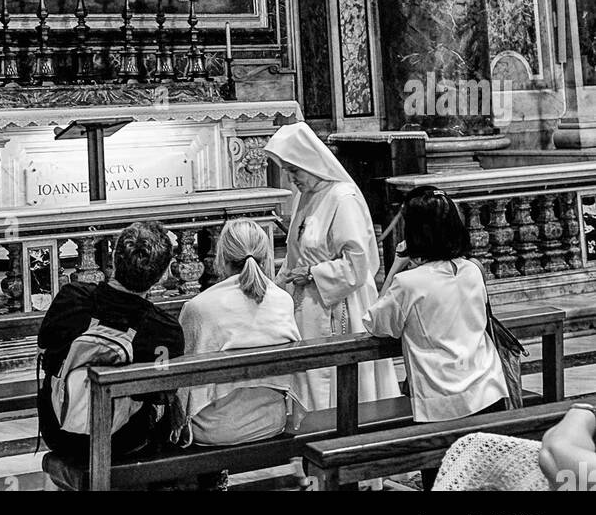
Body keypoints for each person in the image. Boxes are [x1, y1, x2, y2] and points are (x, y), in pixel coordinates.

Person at [363, 187, 508, 488]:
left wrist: (397, 266)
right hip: (488, 391)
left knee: (443, 483)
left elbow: (376, 323)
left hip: (442, 405)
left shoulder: (409, 283)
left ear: (414, 232)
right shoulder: (472, 270)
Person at [264, 123, 400, 412]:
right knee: (310, 376)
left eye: (294, 170)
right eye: (287, 170)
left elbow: (358, 263)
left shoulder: (342, 197)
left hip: (341, 306)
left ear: (310, 163)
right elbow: (296, 253)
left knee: (339, 380)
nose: (291, 178)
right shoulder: (307, 196)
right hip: (309, 306)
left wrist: (313, 273)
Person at [37, 219, 184, 480]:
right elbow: (162, 392)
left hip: (59, 431)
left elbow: (45, 343)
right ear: (161, 275)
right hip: (124, 439)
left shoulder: (72, 298)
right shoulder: (165, 330)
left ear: (114, 260)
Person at [176, 219, 303, 447]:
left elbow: (183, 380)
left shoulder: (199, 307)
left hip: (214, 428)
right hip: (271, 421)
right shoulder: (282, 300)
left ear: (221, 259)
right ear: (265, 258)